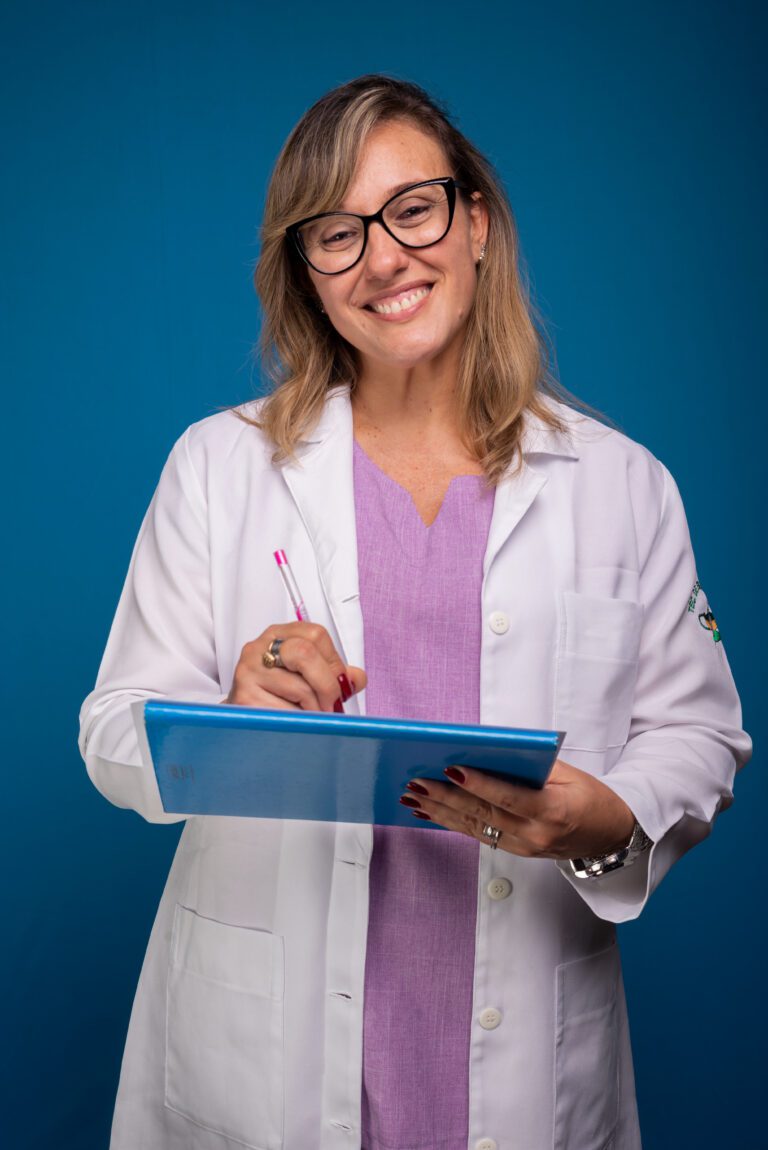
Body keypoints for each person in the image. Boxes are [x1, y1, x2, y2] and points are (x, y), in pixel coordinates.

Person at [79, 74, 751, 1150]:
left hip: (525, 1053)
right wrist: (226, 711)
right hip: (269, 1070)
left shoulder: (622, 484)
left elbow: (703, 732)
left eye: (413, 209)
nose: (384, 257)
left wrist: (609, 818)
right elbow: (112, 729)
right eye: (336, 233)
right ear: (305, 269)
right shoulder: (220, 466)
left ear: (476, 222)